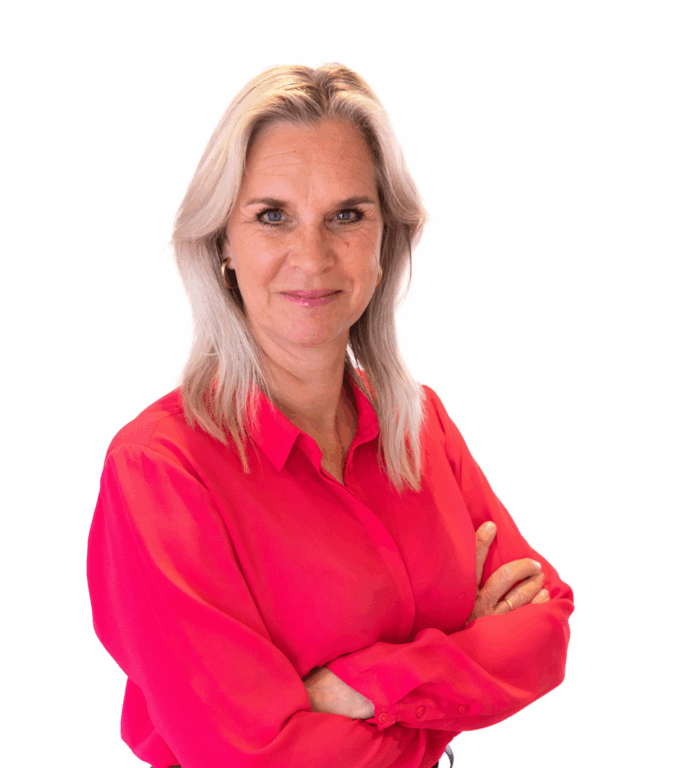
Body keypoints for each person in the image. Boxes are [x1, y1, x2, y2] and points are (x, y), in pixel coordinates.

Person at [87, 62, 574, 768]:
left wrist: (357, 688)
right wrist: (458, 663)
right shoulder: (160, 471)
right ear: (222, 241)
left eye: (347, 215)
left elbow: (544, 630)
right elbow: (251, 760)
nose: (311, 257)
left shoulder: (419, 424)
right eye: (272, 216)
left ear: (386, 238)